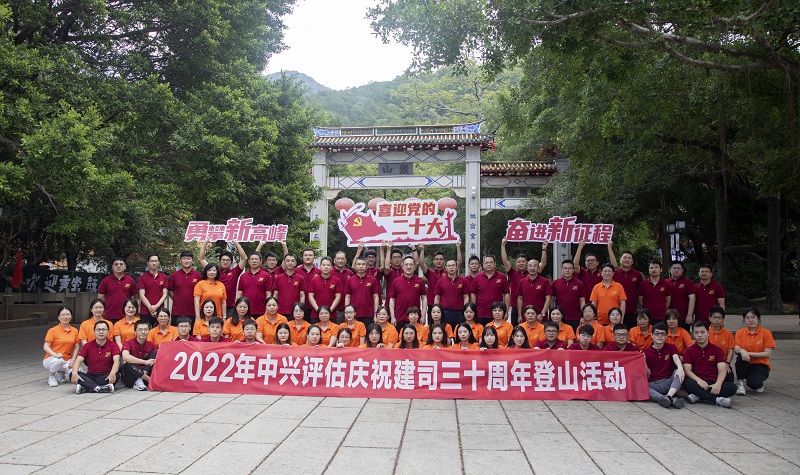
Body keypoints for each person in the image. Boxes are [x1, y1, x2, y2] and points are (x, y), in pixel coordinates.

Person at [682, 321, 737, 407]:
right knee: (686, 383)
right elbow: (687, 370)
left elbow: (722, 370)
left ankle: (698, 395)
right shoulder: (689, 350)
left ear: (708, 333)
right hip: (697, 382)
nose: (699, 335)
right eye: (696, 333)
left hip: (713, 381)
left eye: (702, 332)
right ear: (693, 334)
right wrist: (699, 380)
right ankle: (717, 400)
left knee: (732, 387)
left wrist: (718, 384)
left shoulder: (717, 350)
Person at [198, 238, 251, 317]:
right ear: (219, 261)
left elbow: (244, 258)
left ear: (231, 262)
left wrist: (236, 243)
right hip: (214, 306)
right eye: (223, 260)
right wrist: (205, 243)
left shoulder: (234, 272)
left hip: (230, 307)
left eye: (227, 260)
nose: (225, 262)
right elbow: (201, 259)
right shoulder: (214, 271)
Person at [734, 307, 776, 395]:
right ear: (744, 320)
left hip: (760, 365)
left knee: (754, 384)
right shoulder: (740, 332)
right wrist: (742, 351)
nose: (750, 320)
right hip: (746, 363)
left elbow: (767, 353)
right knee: (740, 358)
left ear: (758, 318)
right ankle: (740, 383)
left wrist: (747, 353)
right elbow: (736, 348)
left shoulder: (766, 333)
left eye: (753, 317)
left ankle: (757, 381)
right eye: (747, 318)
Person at [643, 323, 685, 408]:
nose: (660, 336)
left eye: (662, 334)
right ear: (652, 335)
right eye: (657, 333)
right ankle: (666, 399)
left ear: (666, 336)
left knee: (678, 371)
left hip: (669, 383)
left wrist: (680, 368)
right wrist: (643, 361)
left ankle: (668, 396)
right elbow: (648, 374)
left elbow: (676, 358)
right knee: (642, 386)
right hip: (654, 383)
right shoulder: (646, 352)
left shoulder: (671, 347)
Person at [71, 321, 120, 393]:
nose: (101, 332)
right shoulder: (87, 346)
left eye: (104, 329)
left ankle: (87, 387)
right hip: (91, 375)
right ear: (94, 331)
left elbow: (116, 361)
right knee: (72, 374)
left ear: (108, 331)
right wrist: (74, 373)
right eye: (98, 329)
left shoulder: (113, 345)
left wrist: (112, 373)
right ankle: (99, 388)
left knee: (116, 375)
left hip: (106, 375)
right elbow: (78, 361)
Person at [43, 306, 79, 387]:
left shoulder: (74, 330)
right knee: (58, 361)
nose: (66, 317)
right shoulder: (53, 330)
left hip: (66, 360)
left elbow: (76, 347)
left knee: (78, 373)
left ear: (71, 316)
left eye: (68, 314)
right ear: (58, 317)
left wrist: (73, 360)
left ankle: (60, 372)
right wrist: (55, 354)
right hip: (52, 359)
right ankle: (52, 376)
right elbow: (46, 346)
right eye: (63, 315)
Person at [388, 255, 427, 328]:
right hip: (399, 318)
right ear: (402, 266)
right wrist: (393, 317)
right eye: (406, 265)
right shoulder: (396, 281)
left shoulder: (420, 281)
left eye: (411, 265)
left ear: (414, 267)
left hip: (415, 318)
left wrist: (423, 315)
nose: (408, 267)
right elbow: (392, 299)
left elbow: (424, 298)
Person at [470, 255, 510, 325]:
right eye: (486, 262)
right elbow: (473, 294)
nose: (489, 264)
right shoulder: (477, 278)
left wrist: (506, 311)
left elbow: (506, 294)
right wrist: (473, 310)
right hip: (481, 313)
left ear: (495, 264)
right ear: (483, 264)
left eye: (491, 262)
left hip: (497, 313)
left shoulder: (502, 277)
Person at [610, 247, 644, 328]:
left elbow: (640, 292)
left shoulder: (637, 275)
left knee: (631, 331)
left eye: (629, 258)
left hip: (632, 310)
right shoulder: (614, 274)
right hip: (616, 310)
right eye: (624, 258)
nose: (627, 260)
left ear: (632, 261)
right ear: (620, 260)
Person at [97, 257, 137, 324]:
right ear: (112, 267)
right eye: (116, 264)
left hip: (126, 315)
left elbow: (132, 298)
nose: (118, 266)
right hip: (109, 315)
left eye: (121, 264)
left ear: (125, 266)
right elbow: (101, 298)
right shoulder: (105, 281)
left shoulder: (130, 280)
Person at [167, 250, 203, 326]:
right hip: (177, 311)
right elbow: (170, 290)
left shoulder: (198, 276)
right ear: (180, 261)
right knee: (176, 332)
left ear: (192, 261)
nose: (186, 261)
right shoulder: (174, 275)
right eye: (184, 258)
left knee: (192, 332)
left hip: (193, 312)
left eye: (189, 259)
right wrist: (176, 298)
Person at [549, 259, 586, 329]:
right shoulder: (555, 283)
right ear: (562, 269)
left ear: (573, 270)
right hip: (559, 317)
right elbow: (551, 299)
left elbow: (582, 300)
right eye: (565, 268)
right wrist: (552, 314)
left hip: (575, 317)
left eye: (570, 268)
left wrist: (582, 316)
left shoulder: (579, 284)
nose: (567, 270)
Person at [515, 253, 551, 324]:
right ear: (527, 267)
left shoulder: (544, 281)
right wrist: (519, 315)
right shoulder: (522, 282)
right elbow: (520, 299)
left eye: (535, 266)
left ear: (538, 268)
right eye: (530, 266)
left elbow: (548, 298)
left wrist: (542, 314)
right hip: (526, 317)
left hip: (541, 318)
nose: (532, 268)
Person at [345, 256, 381, 327]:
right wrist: (347, 312)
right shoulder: (350, 280)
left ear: (367, 266)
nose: (361, 266)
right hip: (353, 314)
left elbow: (376, 297)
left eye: (363, 264)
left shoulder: (373, 280)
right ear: (355, 266)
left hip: (368, 314)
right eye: (358, 264)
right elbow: (347, 297)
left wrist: (376, 313)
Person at [121, 320, 156, 391]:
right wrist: (145, 362)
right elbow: (125, 357)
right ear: (135, 331)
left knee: (155, 353)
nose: (143, 332)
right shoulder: (128, 343)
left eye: (145, 329)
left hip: (145, 373)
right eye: (140, 330)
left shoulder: (151, 345)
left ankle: (140, 379)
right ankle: (146, 379)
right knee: (128, 363)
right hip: (131, 377)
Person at [434, 258, 470, 327]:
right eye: (449, 266)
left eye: (453, 265)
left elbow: (466, 297)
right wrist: (436, 311)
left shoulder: (463, 281)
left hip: (459, 312)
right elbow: (437, 297)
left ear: (456, 267)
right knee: (445, 331)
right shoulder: (440, 281)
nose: (451, 267)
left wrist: (465, 310)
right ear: (446, 268)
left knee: (459, 331)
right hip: (445, 312)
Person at [237, 251, 272, 318]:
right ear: (249, 261)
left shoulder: (266, 275)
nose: (254, 261)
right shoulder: (243, 276)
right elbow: (239, 293)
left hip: (261, 310)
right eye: (252, 259)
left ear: (260, 261)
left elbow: (268, 294)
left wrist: (267, 309)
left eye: (256, 259)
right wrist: (238, 307)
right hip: (245, 310)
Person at [307, 256, 342, 322]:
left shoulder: (336, 280)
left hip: (331, 314)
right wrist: (318, 310)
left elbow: (338, 297)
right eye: (323, 265)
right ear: (320, 266)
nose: (326, 267)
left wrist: (329, 311)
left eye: (328, 265)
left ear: (332, 267)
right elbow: (310, 296)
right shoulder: (314, 280)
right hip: (316, 314)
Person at [418, 245, 447, 322]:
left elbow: (458, 264)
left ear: (444, 261)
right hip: (432, 304)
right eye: (437, 259)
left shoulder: (448, 273)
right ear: (433, 261)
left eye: (441, 259)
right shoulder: (430, 273)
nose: (439, 261)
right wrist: (422, 250)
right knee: (432, 326)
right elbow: (421, 264)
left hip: (445, 305)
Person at [137, 254, 168, 327]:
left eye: (156, 261)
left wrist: (156, 306)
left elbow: (165, 294)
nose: (154, 263)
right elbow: (141, 295)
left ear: (158, 262)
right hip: (145, 310)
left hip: (160, 311)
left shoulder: (164, 277)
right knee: (144, 330)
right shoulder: (142, 277)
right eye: (152, 261)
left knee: (159, 331)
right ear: (148, 263)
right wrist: (150, 308)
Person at [637, 260, 671, 326]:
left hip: (661, 316)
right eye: (651, 268)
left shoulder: (666, 284)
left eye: (656, 267)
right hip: (646, 316)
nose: (654, 270)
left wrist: (662, 309)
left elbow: (668, 300)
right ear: (649, 270)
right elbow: (640, 300)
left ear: (661, 270)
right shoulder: (643, 284)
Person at [667, 261, 696, 331]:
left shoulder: (687, 282)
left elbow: (692, 298)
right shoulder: (665, 283)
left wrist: (690, 315)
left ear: (682, 270)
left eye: (679, 268)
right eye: (674, 268)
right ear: (670, 270)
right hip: (668, 317)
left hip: (683, 317)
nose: (676, 270)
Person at [707, 306, 735, 379]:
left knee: (729, 378)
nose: (717, 320)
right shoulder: (705, 332)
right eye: (714, 317)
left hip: (723, 362)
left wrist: (727, 363)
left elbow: (730, 351)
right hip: (707, 362)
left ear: (723, 319)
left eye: (719, 318)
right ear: (709, 318)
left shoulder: (728, 334)